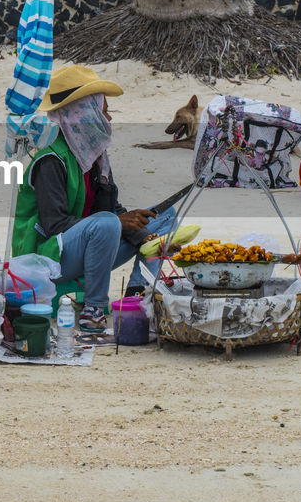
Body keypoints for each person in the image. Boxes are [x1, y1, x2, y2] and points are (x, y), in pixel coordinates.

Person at [11, 65, 177, 332]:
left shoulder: (95, 156)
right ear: (84, 114)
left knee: (165, 217)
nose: (108, 118)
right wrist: (118, 222)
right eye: (104, 110)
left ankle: (136, 292)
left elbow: (111, 208)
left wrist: (141, 234)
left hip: (93, 243)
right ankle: (94, 309)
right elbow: (54, 225)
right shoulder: (50, 159)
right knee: (109, 223)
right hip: (48, 259)